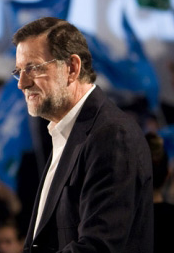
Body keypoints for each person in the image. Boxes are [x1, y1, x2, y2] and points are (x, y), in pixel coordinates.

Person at [12, 17, 153, 252]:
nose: (22, 83)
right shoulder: (68, 134)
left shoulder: (112, 136)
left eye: (33, 68)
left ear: (72, 68)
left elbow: (98, 246)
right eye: (18, 71)